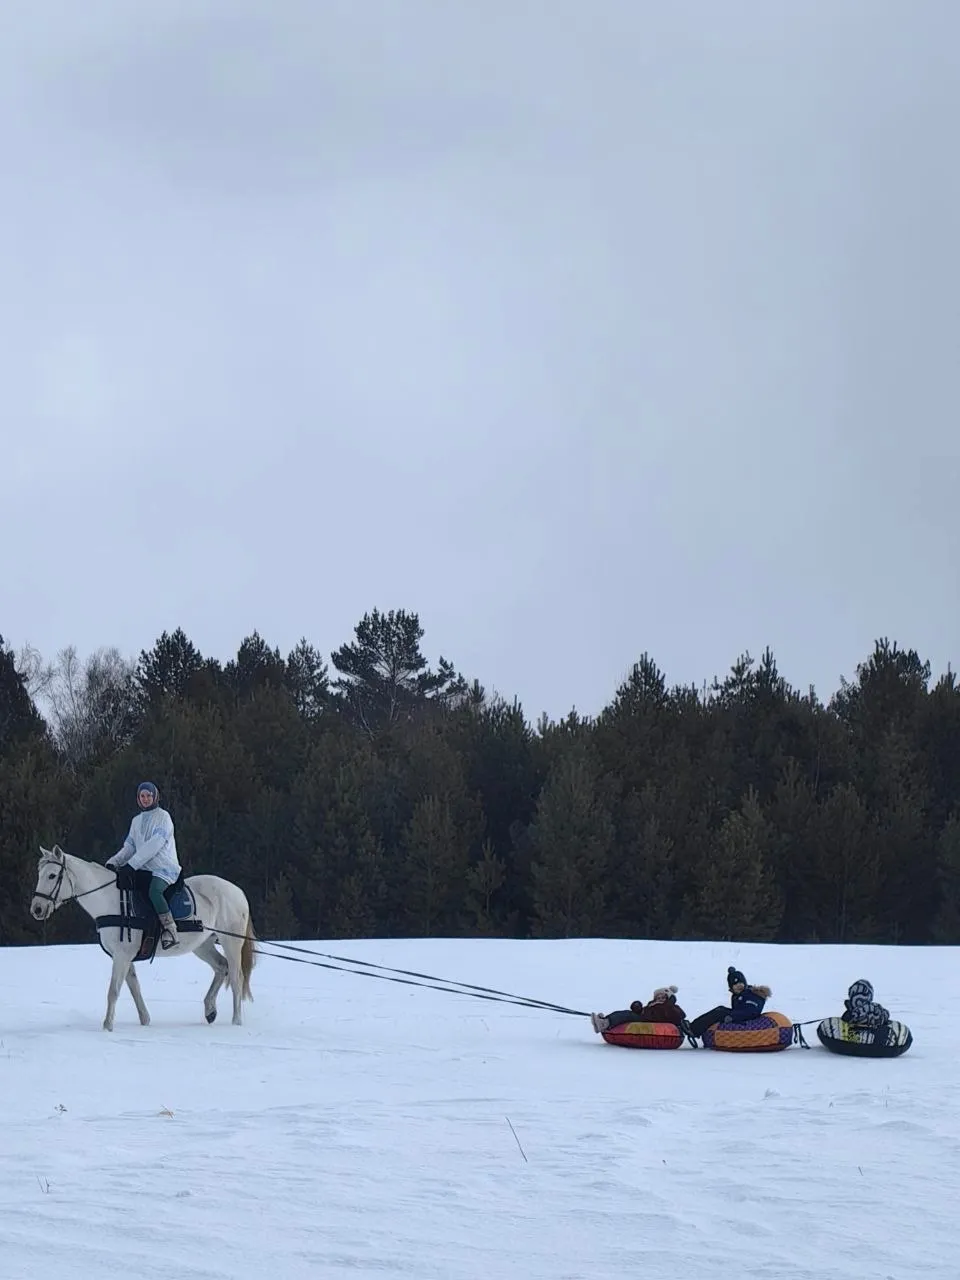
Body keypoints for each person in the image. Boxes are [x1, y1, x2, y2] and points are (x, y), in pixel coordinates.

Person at [105, 781, 181, 950]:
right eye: (142, 796)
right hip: (143, 868)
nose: (146, 799)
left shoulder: (164, 817)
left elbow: (154, 845)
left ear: (155, 797)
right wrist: (114, 862)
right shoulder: (136, 821)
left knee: (154, 891)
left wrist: (131, 865)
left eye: (149, 795)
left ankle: (170, 929)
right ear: (138, 799)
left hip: (164, 868)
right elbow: (130, 847)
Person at [684, 967, 772, 1041]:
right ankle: (694, 1027)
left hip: (747, 1019)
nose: (739, 986)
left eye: (740, 983)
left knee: (720, 1013)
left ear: (745, 983)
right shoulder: (737, 995)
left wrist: (732, 1016)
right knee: (720, 1009)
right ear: (731, 987)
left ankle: (693, 1029)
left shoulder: (752, 994)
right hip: (738, 1015)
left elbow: (750, 1011)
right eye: (735, 985)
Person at [591, 985, 686, 1033]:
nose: (660, 999)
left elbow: (681, 1015)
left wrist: (670, 1003)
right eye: (658, 997)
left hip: (651, 1023)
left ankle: (605, 1024)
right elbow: (645, 1012)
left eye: (663, 997)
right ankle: (605, 1020)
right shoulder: (651, 1005)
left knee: (627, 1015)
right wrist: (638, 1008)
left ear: (668, 999)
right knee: (625, 1013)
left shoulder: (671, 1007)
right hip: (645, 1019)